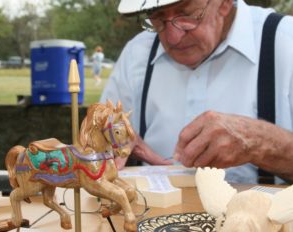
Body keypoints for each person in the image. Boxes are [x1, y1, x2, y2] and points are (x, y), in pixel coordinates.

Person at [100, 0, 293, 184]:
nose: (173, 37)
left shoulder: (286, 42)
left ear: (224, 3)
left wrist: (259, 142)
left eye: (186, 14)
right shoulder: (137, 54)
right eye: (157, 17)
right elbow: (99, 135)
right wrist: (111, 141)